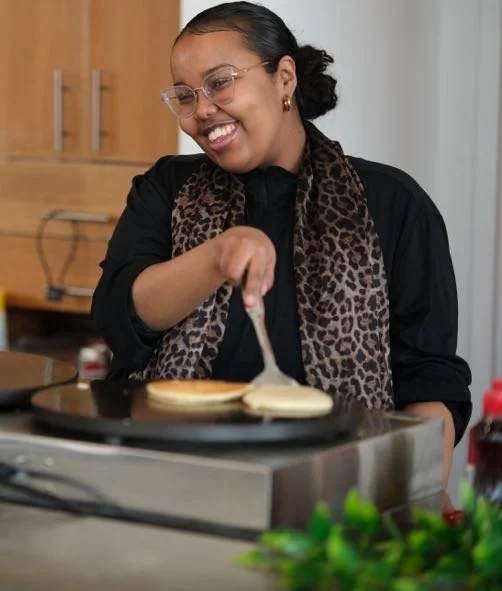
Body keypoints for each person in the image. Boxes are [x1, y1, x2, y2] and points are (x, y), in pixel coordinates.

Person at [91, 1, 472, 495]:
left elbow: (428, 376)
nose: (202, 110)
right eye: (185, 95)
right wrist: (216, 256)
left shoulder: (393, 203)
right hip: (167, 480)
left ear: (284, 78)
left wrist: (414, 499)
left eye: (220, 82)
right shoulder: (167, 189)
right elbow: (120, 315)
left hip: (336, 498)